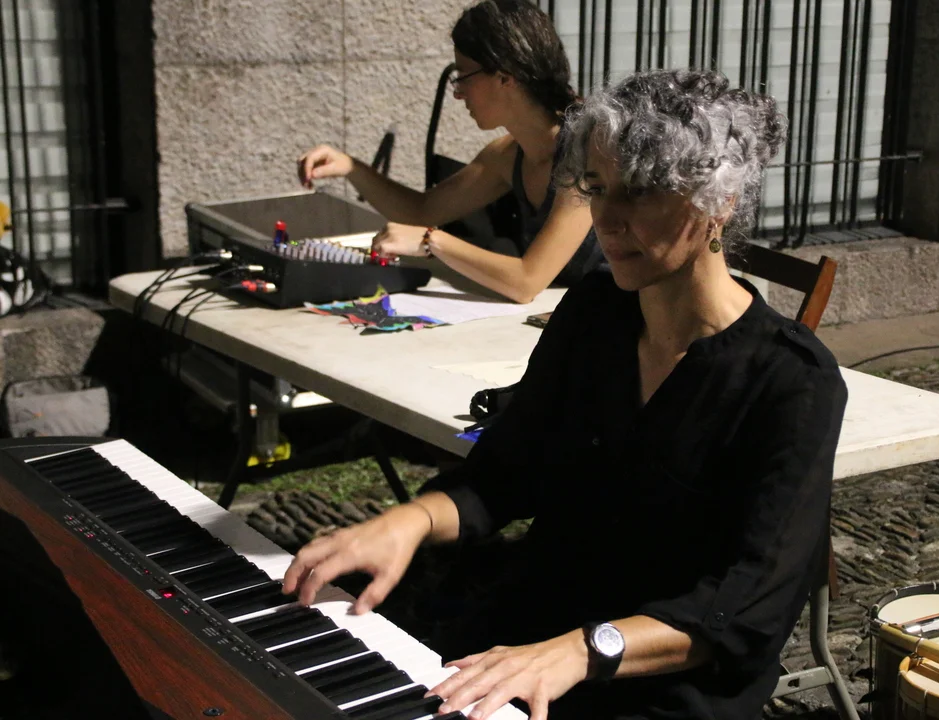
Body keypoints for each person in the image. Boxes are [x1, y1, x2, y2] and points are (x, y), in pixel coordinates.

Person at [283, 69, 848, 720]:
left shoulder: (793, 382)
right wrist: (404, 524)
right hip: (535, 632)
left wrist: (581, 651)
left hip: (659, 689)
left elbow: (745, 610)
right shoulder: (594, 313)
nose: (606, 219)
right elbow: (502, 476)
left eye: (640, 191)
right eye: (598, 188)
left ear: (718, 200)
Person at [296, 0, 604, 304]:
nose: (457, 93)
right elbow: (421, 211)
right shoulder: (507, 156)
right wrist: (351, 167)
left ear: (504, 77)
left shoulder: (586, 153)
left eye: (463, 76)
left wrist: (431, 241)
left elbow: (526, 281)